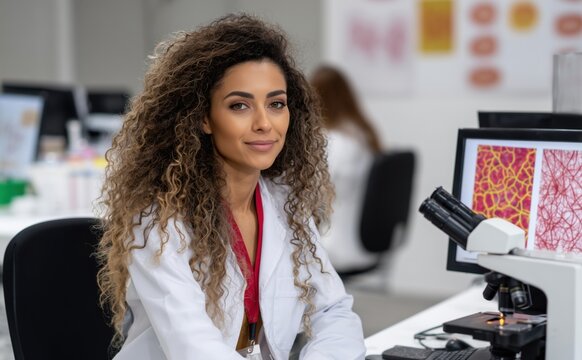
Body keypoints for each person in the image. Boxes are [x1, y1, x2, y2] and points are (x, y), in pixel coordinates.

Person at [96, 14, 366, 360]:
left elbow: (333, 312)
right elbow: (193, 347)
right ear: (203, 118)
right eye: (239, 105)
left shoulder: (285, 205)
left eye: (276, 104)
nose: (264, 123)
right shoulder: (158, 222)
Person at [310, 66, 382, 274]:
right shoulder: (362, 134)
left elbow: (315, 194)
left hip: (339, 245)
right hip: (364, 241)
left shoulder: (334, 142)